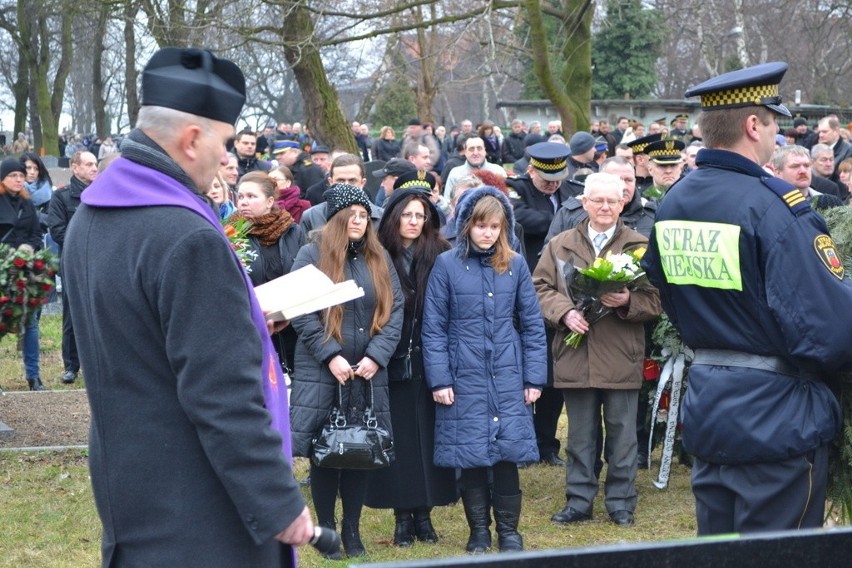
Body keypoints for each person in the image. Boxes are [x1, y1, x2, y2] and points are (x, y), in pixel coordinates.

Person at [62, 47, 314, 566]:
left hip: (132, 491)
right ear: (192, 138)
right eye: (224, 142)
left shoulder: (90, 217)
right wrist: (277, 502)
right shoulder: (186, 236)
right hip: (204, 509)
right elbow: (220, 392)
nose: (229, 159)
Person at [641, 62, 852, 535]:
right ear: (754, 125)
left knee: (718, 549)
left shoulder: (675, 201)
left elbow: (670, 296)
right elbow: (830, 328)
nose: (776, 135)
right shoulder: (774, 206)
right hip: (778, 418)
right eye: (774, 124)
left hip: (711, 403)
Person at [422, 186, 547, 553]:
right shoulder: (446, 265)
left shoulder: (516, 264)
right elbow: (434, 327)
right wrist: (440, 378)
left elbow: (532, 324)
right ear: (466, 226)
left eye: (494, 226)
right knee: (471, 453)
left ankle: (509, 530)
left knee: (507, 454)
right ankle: (478, 529)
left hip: (508, 372)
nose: (487, 233)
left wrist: (534, 377)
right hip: (464, 372)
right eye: (480, 226)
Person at [534, 172, 661, 528]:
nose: (606, 207)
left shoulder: (639, 246)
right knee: (579, 436)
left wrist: (627, 300)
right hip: (576, 353)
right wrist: (565, 313)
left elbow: (658, 299)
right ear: (584, 202)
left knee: (623, 436)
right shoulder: (560, 243)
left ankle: (621, 502)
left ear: (623, 203)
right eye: (598, 200)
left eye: (613, 200)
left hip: (621, 352)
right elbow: (539, 287)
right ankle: (578, 501)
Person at [289, 183, 403, 559]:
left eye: (363, 216)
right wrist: (330, 355)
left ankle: (353, 531)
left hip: (367, 371)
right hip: (326, 371)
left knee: (360, 450)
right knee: (328, 450)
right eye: (352, 215)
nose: (359, 221)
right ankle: (328, 530)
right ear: (337, 218)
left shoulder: (378, 257)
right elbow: (300, 310)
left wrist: (377, 355)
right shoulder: (311, 255)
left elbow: (395, 308)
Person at [366, 187, 456, 546]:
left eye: (420, 216)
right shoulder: (378, 254)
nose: (414, 222)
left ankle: (425, 513)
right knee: (399, 436)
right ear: (394, 217)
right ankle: (402, 516)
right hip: (389, 355)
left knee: (428, 435)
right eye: (408, 215)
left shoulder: (442, 253)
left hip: (430, 355)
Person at [234, 171, 305, 373]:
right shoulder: (231, 233)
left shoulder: (292, 231)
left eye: (251, 196)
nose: (244, 202)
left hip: (292, 328)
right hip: (252, 328)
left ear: (269, 201)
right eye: (240, 197)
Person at [48, 150, 98, 385]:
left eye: (95, 164)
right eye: (88, 164)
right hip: (75, 264)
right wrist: (87, 243)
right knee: (73, 316)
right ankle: (71, 366)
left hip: (101, 263)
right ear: (74, 167)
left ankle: (97, 365)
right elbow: (57, 230)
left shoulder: (103, 194)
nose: (94, 168)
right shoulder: (62, 198)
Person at [0, 158, 46, 391]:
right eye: (14, 176)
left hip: (25, 269)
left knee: (31, 323)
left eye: (22, 175)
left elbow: (37, 234)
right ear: (2, 179)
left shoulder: (27, 204)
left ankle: (33, 376)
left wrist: (29, 249)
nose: (20, 179)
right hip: (2, 269)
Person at [21, 152, 53, 230]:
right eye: (28, 168)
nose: (32, 172)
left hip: (39, 235)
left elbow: (52, 220)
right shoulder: (12, 190)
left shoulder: (47, 191)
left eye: (36, 169)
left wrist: (31, 214)